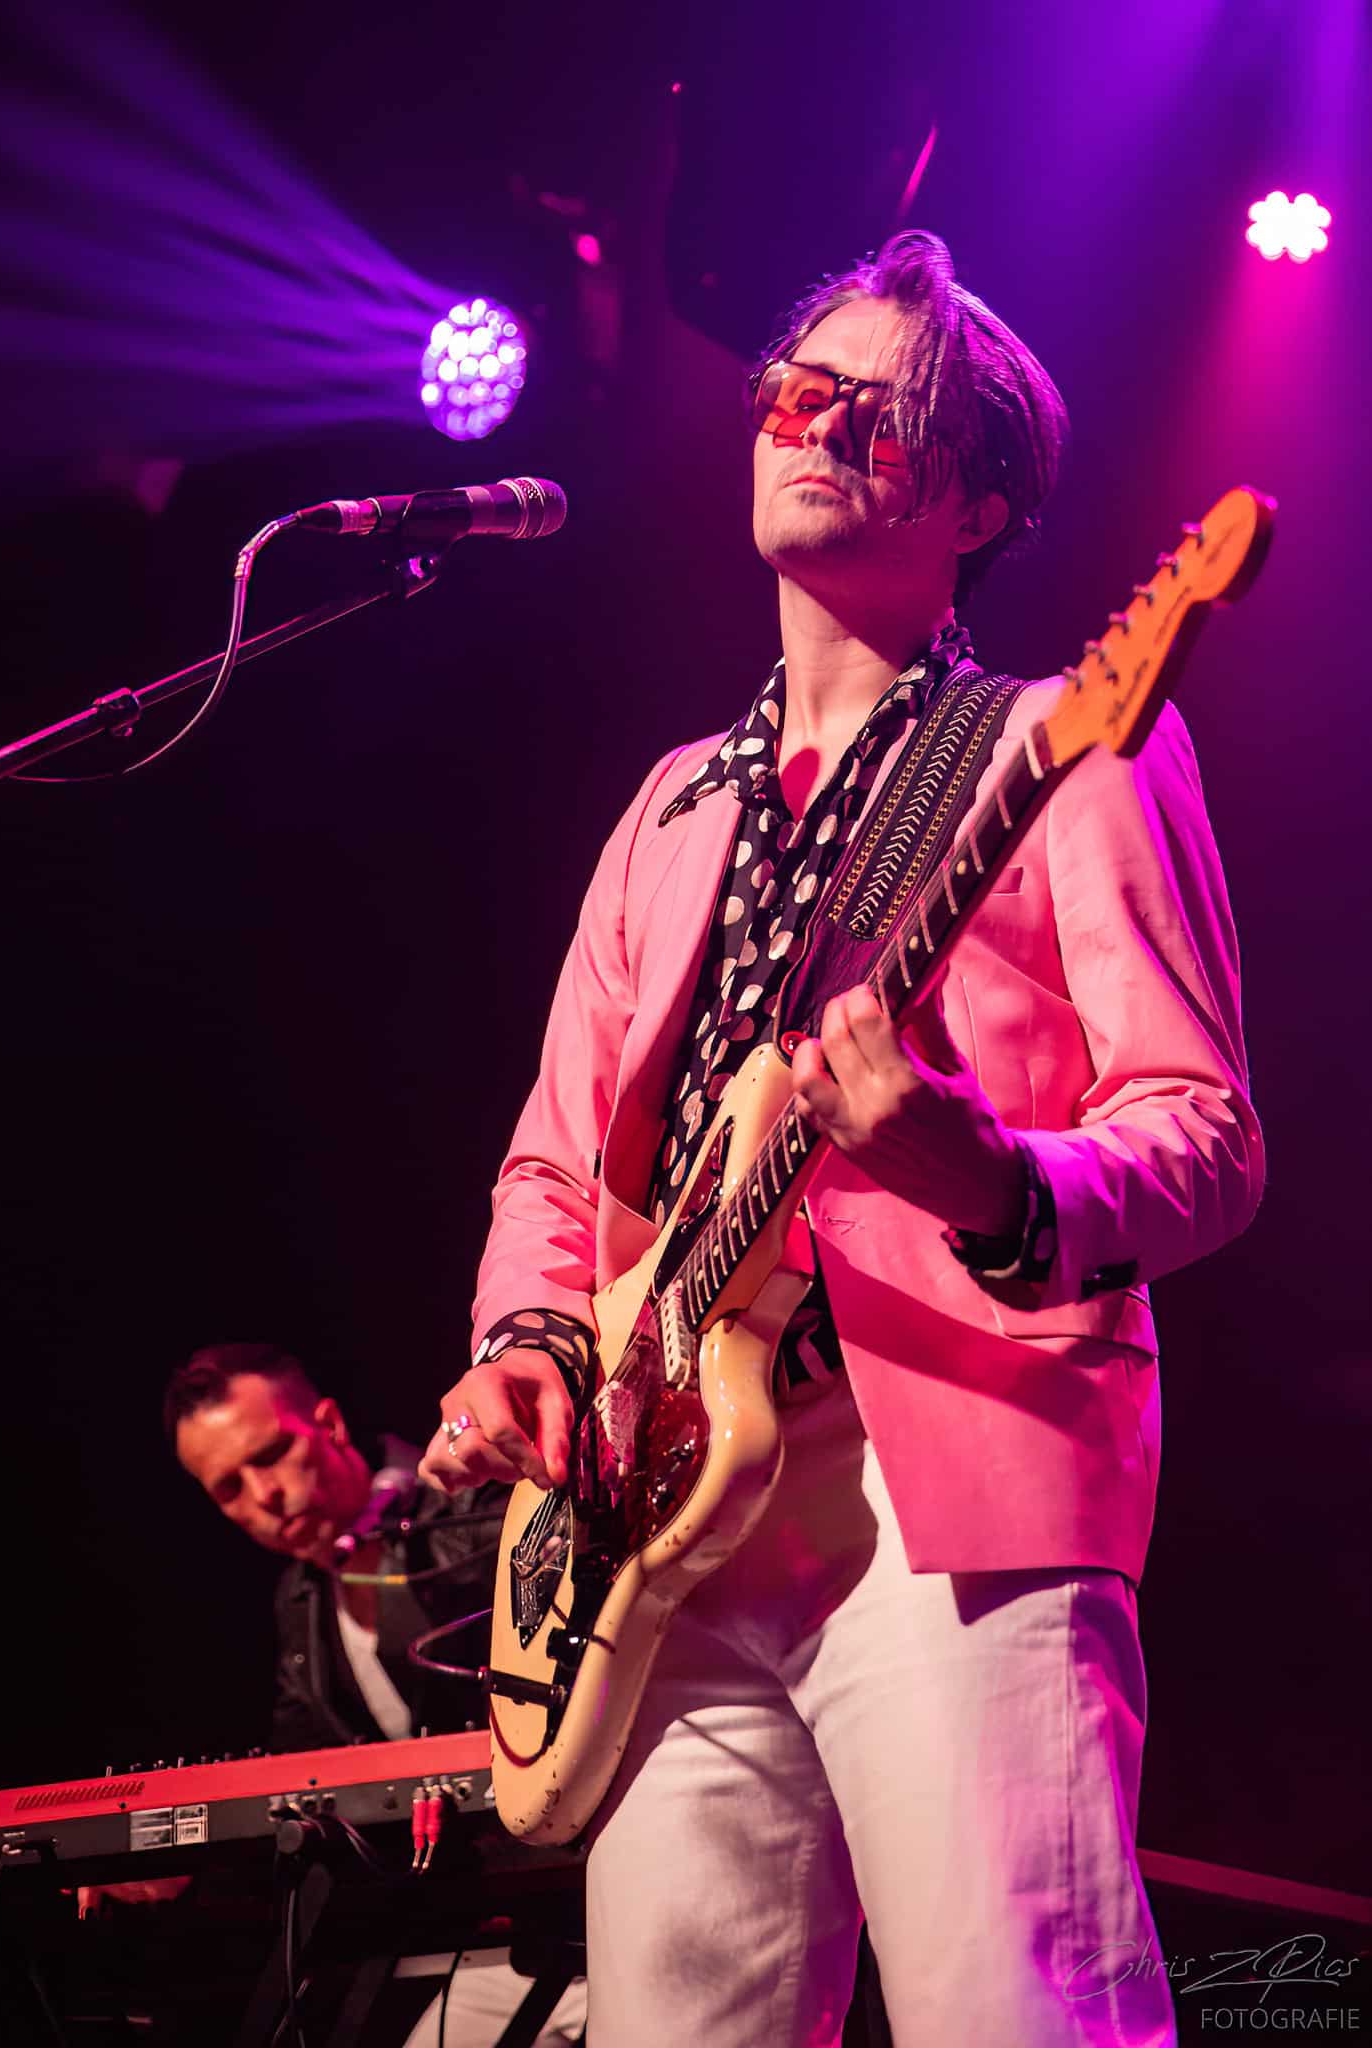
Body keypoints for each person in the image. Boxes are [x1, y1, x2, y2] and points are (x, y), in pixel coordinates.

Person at [418, 229, 1264, 2048]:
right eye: (794, 393)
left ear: (976, 503)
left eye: (878, 415)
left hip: (948, 1474)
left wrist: (989, 1176)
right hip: (659, 1510)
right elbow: (556, 1159)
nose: (814, 426)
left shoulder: (1063, 746)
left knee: (1012, 2013)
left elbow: (1201, 1135)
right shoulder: (670, 807)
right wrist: (526, 1343)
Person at [165, 1342, 587, 2048]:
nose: (264, 1497)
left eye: (270, 1455)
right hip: (500, 1929)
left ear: (329, 1426)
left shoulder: (471, 1502)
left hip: (591, 1878)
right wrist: (178, 1863)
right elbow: (297, 1777)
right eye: (229, 1489)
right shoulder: (301, 1599)